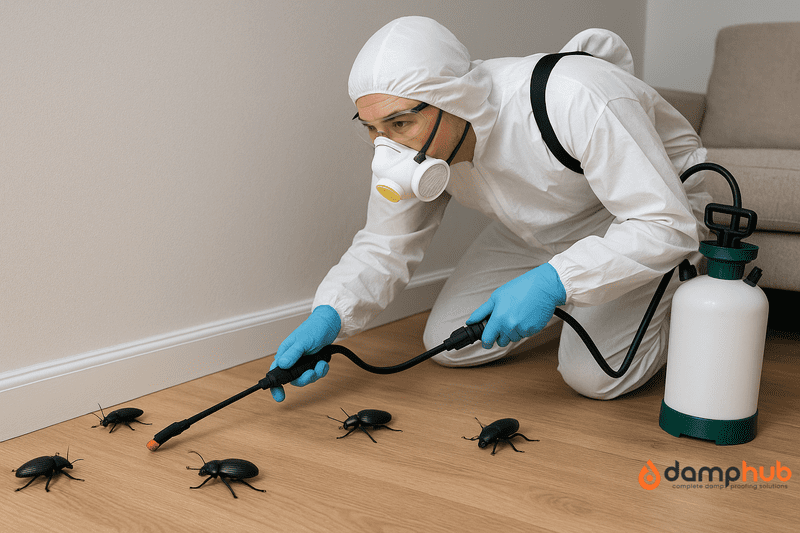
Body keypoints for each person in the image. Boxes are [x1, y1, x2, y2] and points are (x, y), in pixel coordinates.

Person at [269, 16, 711, 402]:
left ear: (451, 99)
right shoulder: (410, 148)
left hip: (648, 210)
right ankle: (587, 293)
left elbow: (662, 222)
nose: (385, 144)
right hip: (536, 227)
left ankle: (686, 281)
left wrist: (556, 281)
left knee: (596, 377)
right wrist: (329, 315)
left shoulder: (573, 96)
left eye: (399, 123)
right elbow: (385, 244)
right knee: (450, 344)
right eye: (371, 128)